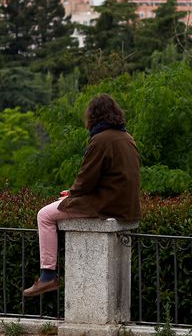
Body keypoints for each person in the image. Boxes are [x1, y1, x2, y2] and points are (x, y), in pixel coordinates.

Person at [23, 93, 141, 297]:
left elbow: (87, 177)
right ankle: (47, 276)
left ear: (93, 116)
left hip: (105, 204)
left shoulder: (100, 139)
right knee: (58, 206)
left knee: (44, 215)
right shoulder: (126, 137)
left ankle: (47, 276)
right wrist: (73, 194)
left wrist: (71, 196)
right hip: (125, 204)